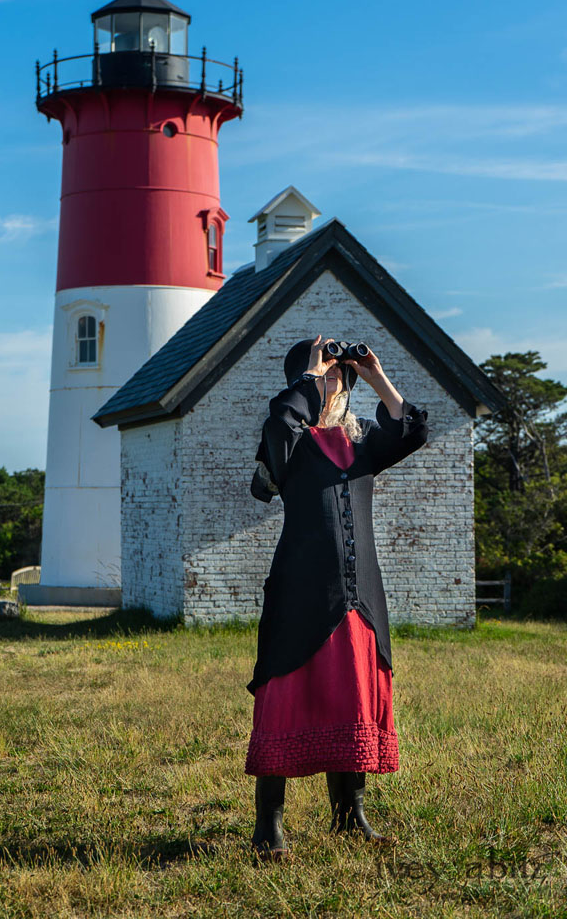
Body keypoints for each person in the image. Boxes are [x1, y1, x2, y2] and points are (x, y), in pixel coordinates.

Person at [246, 334, 429, 860]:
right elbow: (282, 420)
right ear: (301, 383)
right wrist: (309, 374)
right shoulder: (289, 443)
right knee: (285, 699)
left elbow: (412, 429)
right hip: (302, 591)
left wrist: (373, 374)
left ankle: (350, 816)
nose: (333, 383)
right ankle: (268, 827)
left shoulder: (363, 439)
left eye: (337, 377)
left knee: (352, 697)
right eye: (325, 376)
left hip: (360, 594)